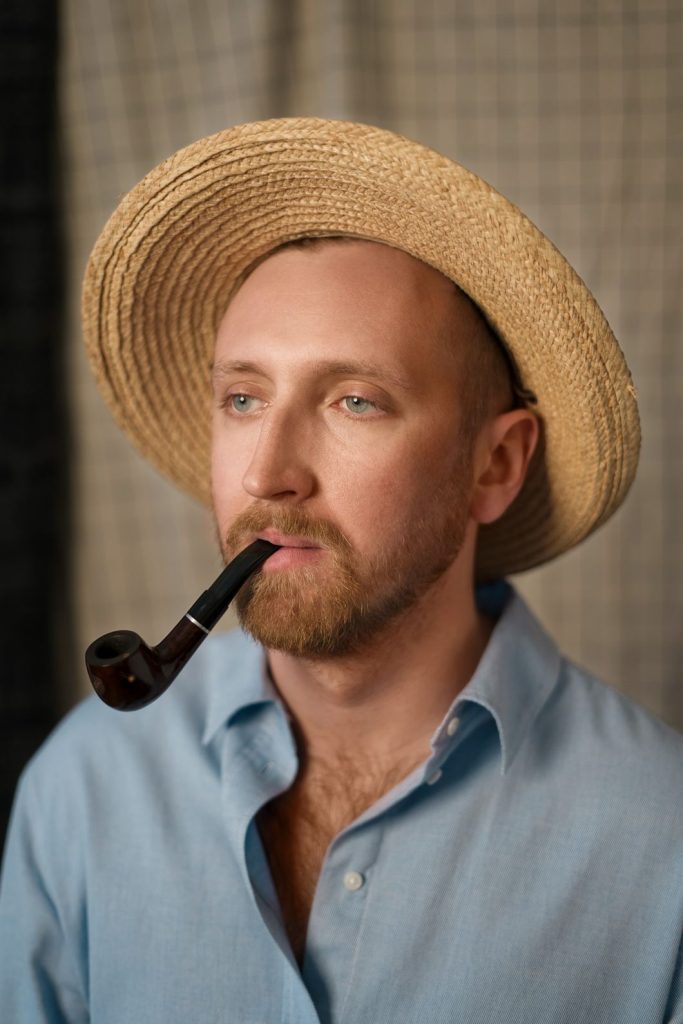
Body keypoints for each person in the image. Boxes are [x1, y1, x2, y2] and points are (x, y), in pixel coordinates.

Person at [1, 118, 682, 1024]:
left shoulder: (660, 837)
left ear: (494, 465)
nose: (267, 474)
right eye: (243, 398)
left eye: (354, 400)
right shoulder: (86, 783)